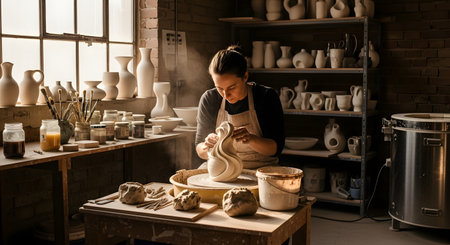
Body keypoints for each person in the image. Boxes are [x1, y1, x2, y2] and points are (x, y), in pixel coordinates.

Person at [195, 45, 285, 169]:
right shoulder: (210, 98)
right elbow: (199, 149)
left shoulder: (265, 96)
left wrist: (251, 139)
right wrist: (208, 146)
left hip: (260, 168)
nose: (226, 95)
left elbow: (275, 149)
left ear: (245, 77)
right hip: (222, 166)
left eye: (232, 87)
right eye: (219, 88)